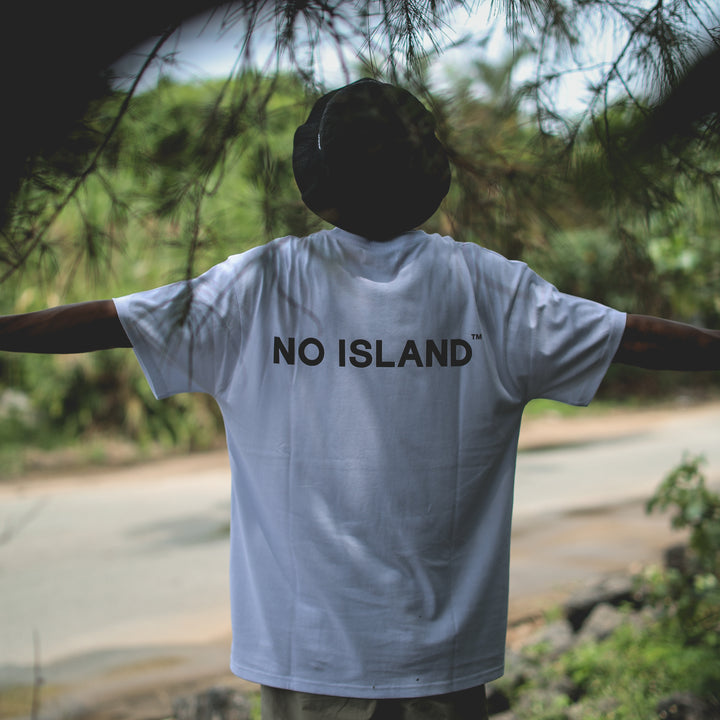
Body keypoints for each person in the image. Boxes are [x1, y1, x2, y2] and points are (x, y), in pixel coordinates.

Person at [1, 78, 719, 720]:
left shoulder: (259, 287)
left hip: (307, 658)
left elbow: (111, 321)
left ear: (318, 179)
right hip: (443, 665)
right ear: (426, 174)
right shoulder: (489, 289)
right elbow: (636, 338)